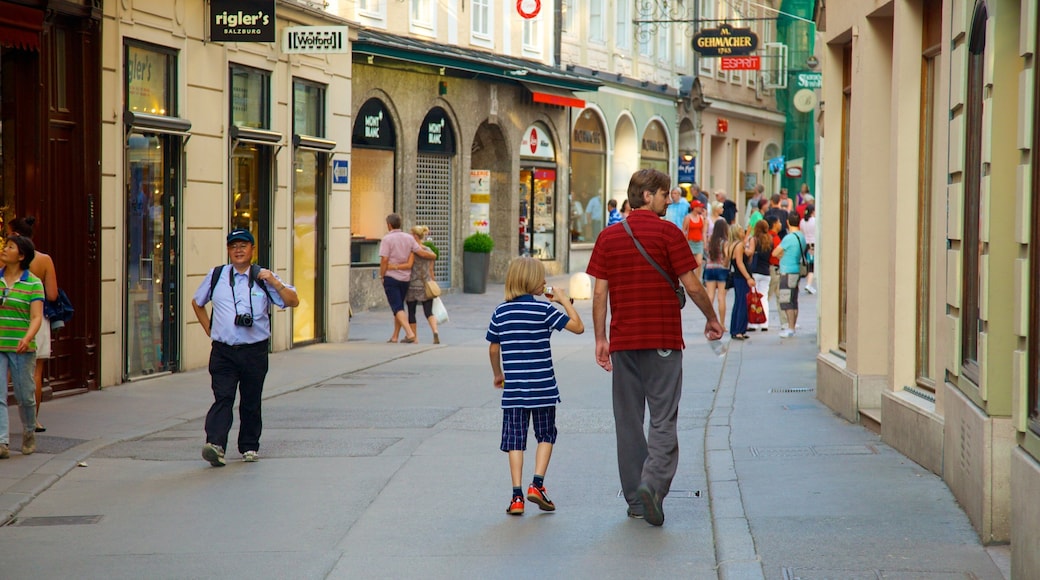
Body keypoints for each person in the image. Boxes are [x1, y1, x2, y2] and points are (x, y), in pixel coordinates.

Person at [586, 168, 724, 526]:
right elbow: (693, 286)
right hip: (661, 340)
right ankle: (652, 485)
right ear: (647, 195)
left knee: (628, 420)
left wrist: (601, 338)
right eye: (665, 194)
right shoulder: (668, 233)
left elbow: (600, 292)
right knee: (663, 418)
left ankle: (635, 499)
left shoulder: (608, 236)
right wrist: (711, 318)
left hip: (623, 343)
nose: (668, 200)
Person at [191, 229, 299, 466]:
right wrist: (210, 330)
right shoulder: (217, 275)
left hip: (254, 351)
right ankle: (215, 445)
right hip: (223, 351)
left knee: (251, 399)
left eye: (243, 245)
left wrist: (273, 281)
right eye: (233, 246)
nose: (238, 250)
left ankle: (249, 446)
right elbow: (197, 303)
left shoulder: (263, 276)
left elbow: (293, 301)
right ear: (228, 251)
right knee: (223, 397)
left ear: (252, 249)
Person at [487, 257, 584, 516]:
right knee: (546, 435)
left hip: (515, 389)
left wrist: (498, 374)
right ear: (531, 281)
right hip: (543, 387)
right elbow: (578, 327)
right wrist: (564, 301)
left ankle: (516, 496)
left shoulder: (500, 312)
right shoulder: (544, 310)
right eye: (541, 277)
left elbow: (493, 348)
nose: (545, 283)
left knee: (515, 441)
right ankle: (537, 485)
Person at [7, 217, 58, 433]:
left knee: (6, 371)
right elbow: (53, 295)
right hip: (37, 319)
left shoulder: (6, 263)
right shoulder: (44, 260)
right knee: (36, 373)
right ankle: (32, 421)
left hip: (10, 320)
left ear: (16, 236)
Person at [0, 235, 44, 459]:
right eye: (5, 245)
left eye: (10, 247)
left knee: (24, 394)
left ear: (22, 255)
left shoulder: (34, 283)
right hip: (0, 343)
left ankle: (28, 432)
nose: (5, 249)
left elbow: (36, 317)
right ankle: (2, 442)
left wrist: (27, 338)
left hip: (21, 346)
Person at [379, 213, 436, 343]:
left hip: (391, 278)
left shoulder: (387, 239)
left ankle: (410, 334)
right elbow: (421, 252)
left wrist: (382, 275)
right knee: (399, 308)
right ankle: (395, 336)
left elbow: (384, 259)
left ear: (389, 225)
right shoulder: (408, 238)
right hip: (405, 279)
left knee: (397, 307)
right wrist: (433, 256)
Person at [772, 213, 807, 338]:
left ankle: (790, 327)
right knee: (793, 299)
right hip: (796, 269)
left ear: (787, 222)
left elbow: (775, 252)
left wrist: (783, 256)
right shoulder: (801, 237)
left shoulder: (789, 238)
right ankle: (792, 326)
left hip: (787, 270)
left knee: (786, 300)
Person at [404, 225, 440, 344]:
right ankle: (435, 331)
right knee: (428, 311)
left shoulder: (412, 251)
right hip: (426, 284)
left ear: (415, 236)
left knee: (411, 311)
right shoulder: (428, 251)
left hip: (413, 285)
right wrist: (433, 282)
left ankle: (414, 337)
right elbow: (431, 269)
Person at [702, 218, 732, 331]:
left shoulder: (710, 240)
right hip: (721, 270)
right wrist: (726, 264)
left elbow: (706, 252)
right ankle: (722, 324)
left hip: (710, 269)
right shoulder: (725, 242)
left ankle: (709, 322)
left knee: (710, 296)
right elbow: (726, 257)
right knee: (721, 297)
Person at [746, 220, 774, 332]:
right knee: (764, 297)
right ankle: (765, 323)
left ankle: (753, 323)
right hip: (766, 271)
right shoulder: (770, 240)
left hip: (755, 271)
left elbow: (751, 253)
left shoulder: (754, 240)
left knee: (754, 297)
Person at [728, 225, 755, 340]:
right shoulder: (739, 246)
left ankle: (735, 329)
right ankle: (739, 329)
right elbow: (740, 263)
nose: (742, 232)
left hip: (737, 277)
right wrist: (748, 277)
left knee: (738, 302)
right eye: (741, 230)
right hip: (741, 277)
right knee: (742, 303)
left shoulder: (732, 245)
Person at [682, 200, 706, 274]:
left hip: (699, 242)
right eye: (699, 207)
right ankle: (692, 277)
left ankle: (698, 278)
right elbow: (683, 230)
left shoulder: (701, 218)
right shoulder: (688, 218)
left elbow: (703, 232)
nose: (701, 208)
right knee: (691, 264)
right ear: (695, 208)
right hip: (690, 242)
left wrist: (704, 242)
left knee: (699, 262)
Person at [800, 204, 817, 294]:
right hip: (813, 245)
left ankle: (808, 283)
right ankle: (809, 284)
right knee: (812, 266)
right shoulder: (814, 220)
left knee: (808, 265)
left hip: (806, 244)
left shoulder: (802, 221)